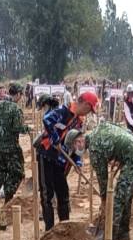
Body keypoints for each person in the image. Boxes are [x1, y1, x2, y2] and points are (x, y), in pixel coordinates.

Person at [37, 90, 97, 231]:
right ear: (83, 103)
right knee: (47, 194)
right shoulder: (62, 111)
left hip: (61, 159)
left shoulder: (79, 122)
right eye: (88, 109)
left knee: (63, 192)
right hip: (46, 154)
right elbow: (47, 120)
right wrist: (55, 138)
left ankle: (65, 227)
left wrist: (77, 161)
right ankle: (49, 230)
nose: (87, 113)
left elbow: (77, 143)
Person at [84, 122, 133, 240]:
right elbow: (126, 132)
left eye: (74, 146)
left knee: (117, 199)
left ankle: (108, 238)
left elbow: (102, 177)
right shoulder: (99, 129)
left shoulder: (94, 148)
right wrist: (119, 155)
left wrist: (105, 198)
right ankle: (123, 232)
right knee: (126, 196)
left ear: (79, 141)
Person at [0, 84, 27, 222]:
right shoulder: (16, 109)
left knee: (0, 172)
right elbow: (17, 128)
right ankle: (8, 201)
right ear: (18, 94)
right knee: (17, 174)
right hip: (11, 149)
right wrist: (27, 128)